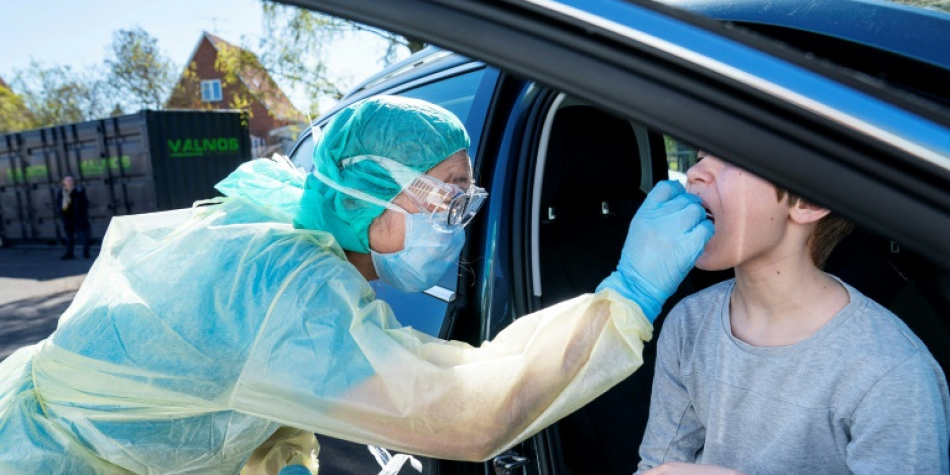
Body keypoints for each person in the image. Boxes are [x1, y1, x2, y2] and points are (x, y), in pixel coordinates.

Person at [0, 95, 712, 475]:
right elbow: (462, 411)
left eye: (469, 200)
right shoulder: (287, 281)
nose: (461, 222)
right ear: (364, 200)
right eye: (447, 199)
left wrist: (279, 451)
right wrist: (626, 298)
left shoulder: (285, 234)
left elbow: (227, 371)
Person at [636, 151, 950, 475]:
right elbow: (657, 466)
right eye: (700, 156)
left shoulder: (890, 371)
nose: (697, 172)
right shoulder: (688, 323)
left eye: (731, 156)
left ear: (807, 201)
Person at [56, 174, 91, 260]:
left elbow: (85, 203)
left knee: (83, 236)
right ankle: (69, 253)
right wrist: (61, 215)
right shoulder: (61, 192)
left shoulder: (79, 190)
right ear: (63, 182)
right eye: (67, 180)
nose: (69, 182)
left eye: (71, 180)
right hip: (67, 218)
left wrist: (81, 214)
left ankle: (86, 253)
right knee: (69, 237)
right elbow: (58, 204)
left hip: (78, 218)